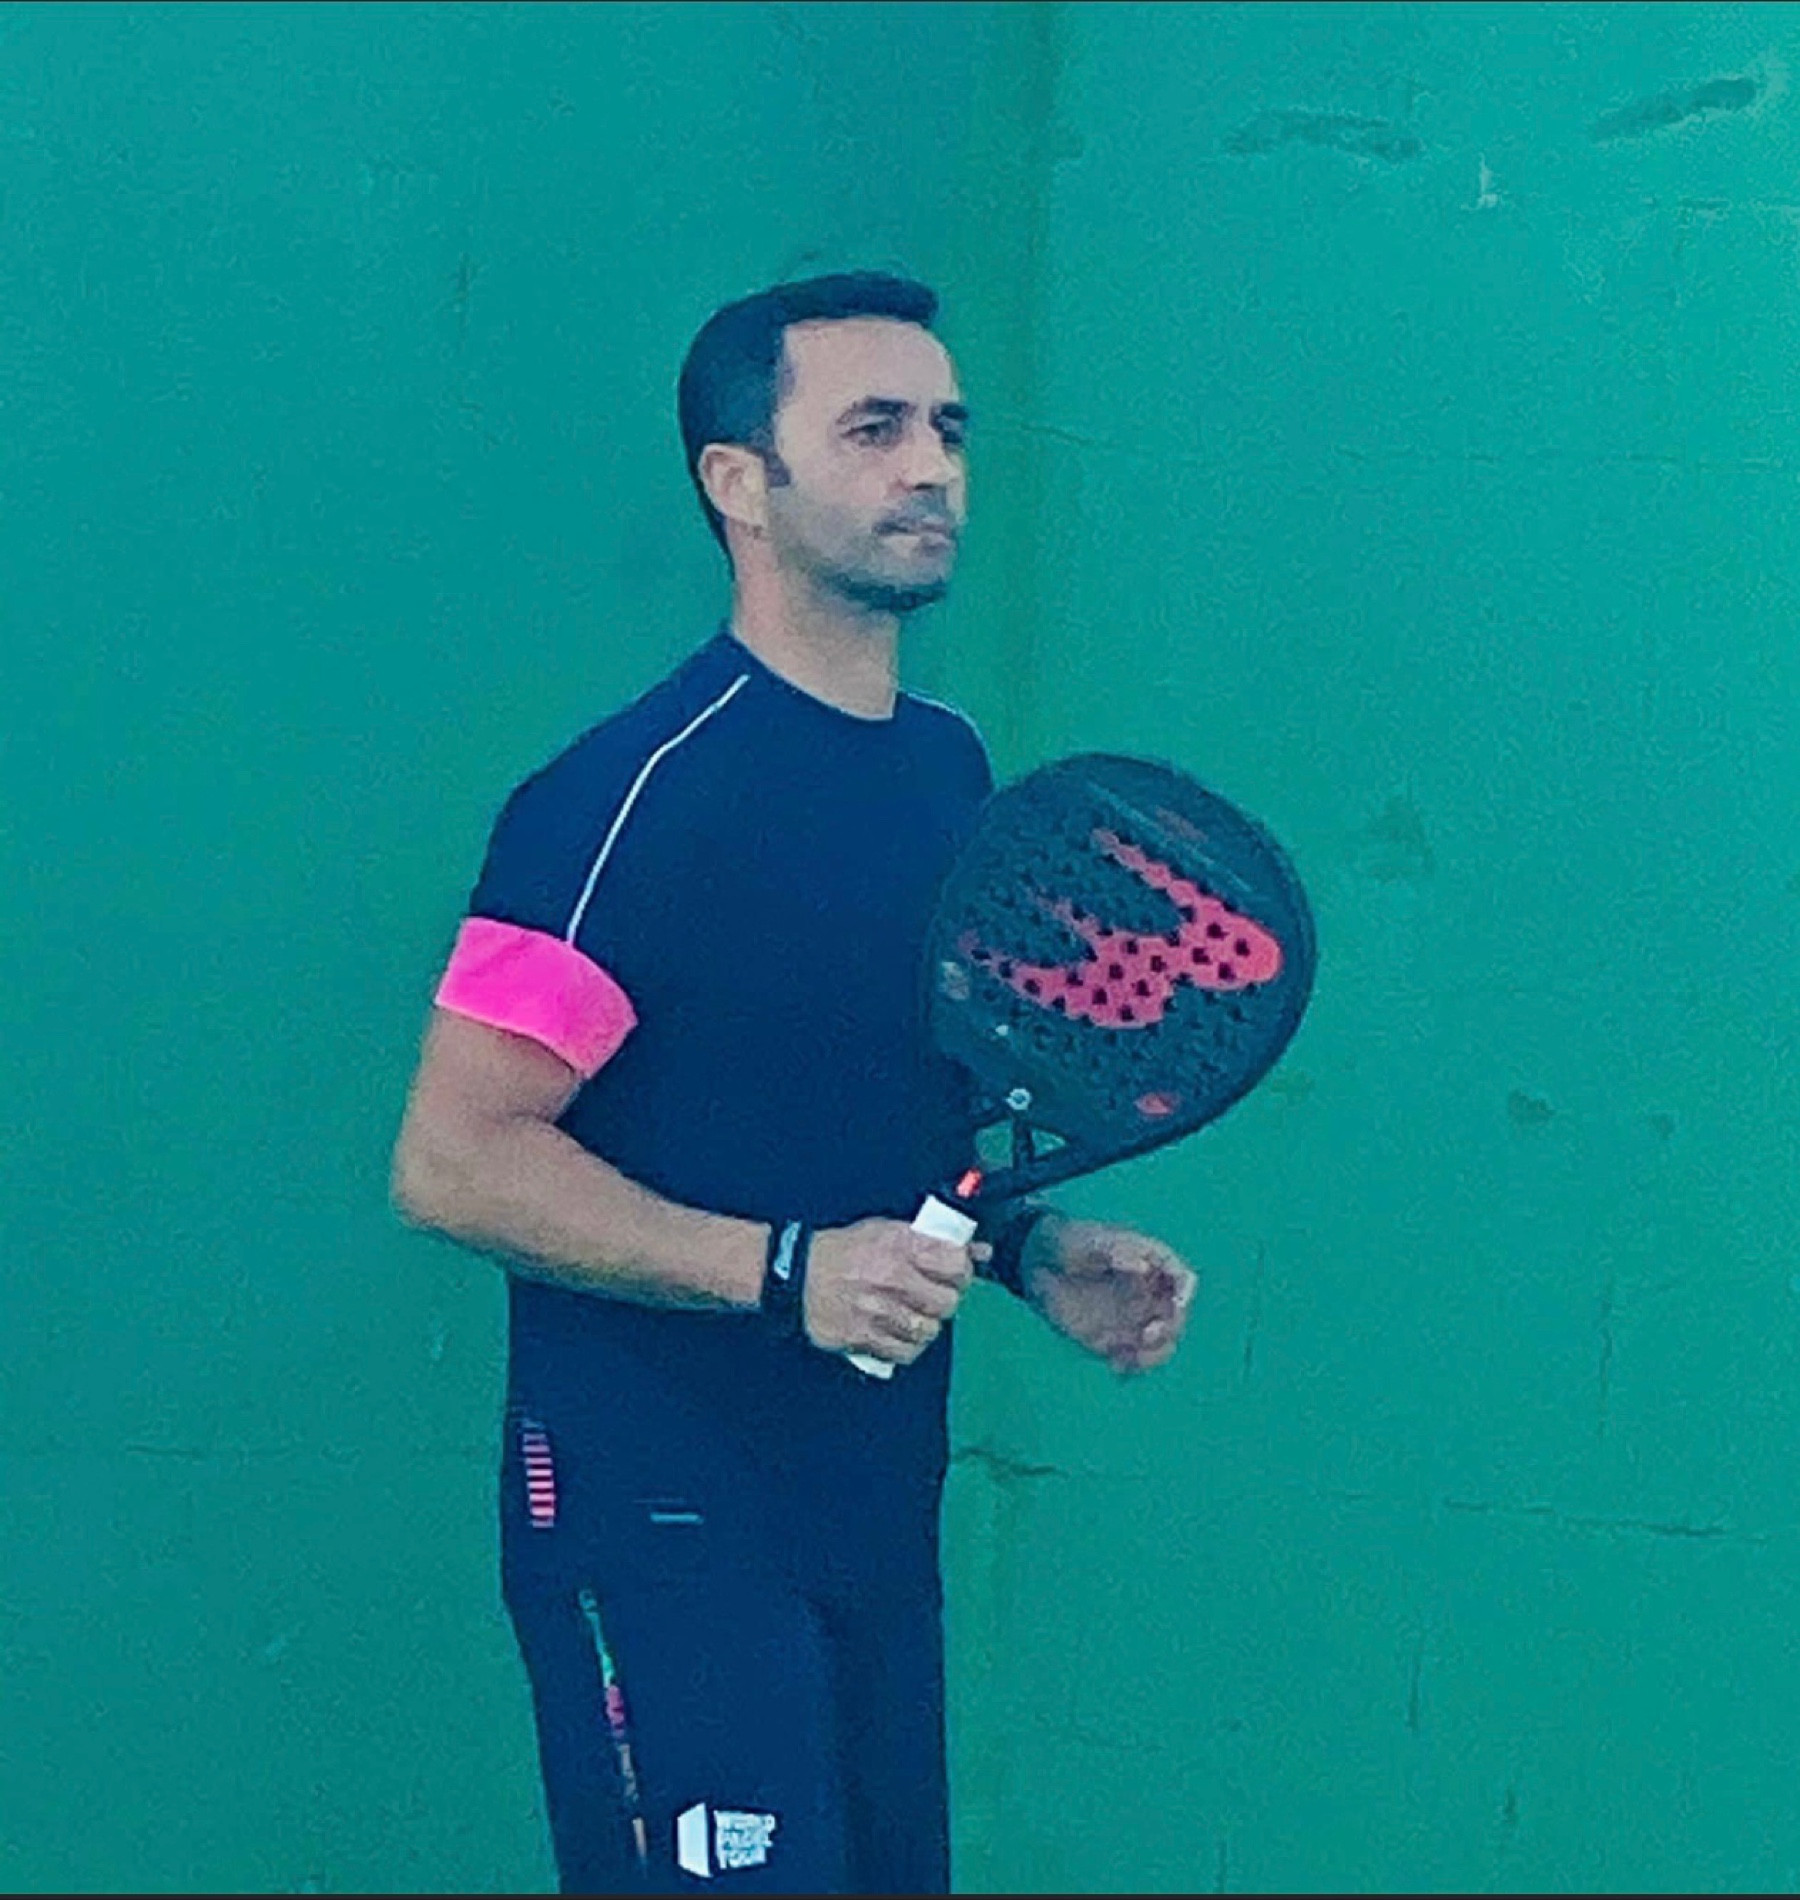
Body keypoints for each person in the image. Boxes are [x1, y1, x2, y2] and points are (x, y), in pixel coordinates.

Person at [389, 271, 1198, 1895]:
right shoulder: (621, 800)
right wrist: (784, 1273)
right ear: (738, 482)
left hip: (875, 1517)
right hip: (655, 1520)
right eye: (874, 429)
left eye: (949, 429)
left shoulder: (948, 771)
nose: (933, 468)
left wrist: (1031, 1252)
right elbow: (455, 1156)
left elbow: (867, 1108)